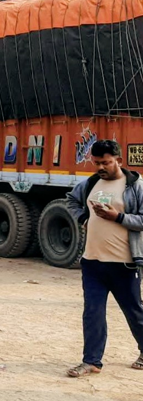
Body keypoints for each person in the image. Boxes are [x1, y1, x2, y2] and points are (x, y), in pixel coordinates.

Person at [65, 139, 143, 377]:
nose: (101, 167)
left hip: (125, 264)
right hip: (92, 263)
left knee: (134, 312)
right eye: (97, 162)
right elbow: (71, 200)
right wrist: (83, 218)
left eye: (106, 162)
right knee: (92, 312)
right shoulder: (90, 183)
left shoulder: (135, 186)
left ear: (118, 160)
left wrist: (117, 217)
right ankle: (91, 361)